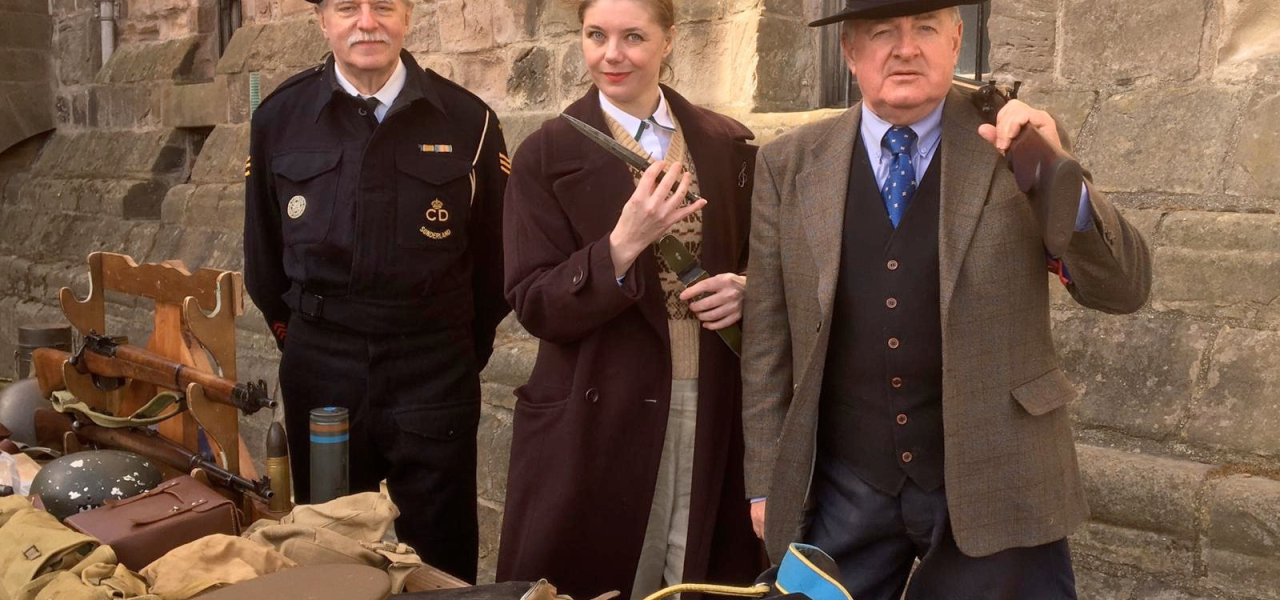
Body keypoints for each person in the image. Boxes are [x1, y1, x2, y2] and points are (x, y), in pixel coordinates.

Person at [740, 0, 1152, 598]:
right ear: (850, 51)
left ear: (956, 41)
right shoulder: (789, 162)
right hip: (846, 485)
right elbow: (768, 340)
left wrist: (1062, 182)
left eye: (926, 28)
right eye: (883, 32)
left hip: (1000, 475)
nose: (906, 48)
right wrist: (765, 480)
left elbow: (1122, 289)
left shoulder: (1018, 142)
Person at [496, 0, 762, 598]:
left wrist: (747, 288)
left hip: (713, 395)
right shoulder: (543, 154)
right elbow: (532, 301)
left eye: (633, 37)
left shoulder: (727, 145)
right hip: (598, 406)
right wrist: (621, 245)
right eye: (596, 35)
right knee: (605, 577)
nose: (612, 55)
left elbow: (769, 259)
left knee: (698, 577)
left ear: (669, 40)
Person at [242, 0, 509, 583]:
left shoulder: (469, 121)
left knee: (441, 556)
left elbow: (496, 264)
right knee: (327, 550)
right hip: (322, 363)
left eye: (384, 5)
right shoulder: (279, 118)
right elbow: (263, 261)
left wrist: (457, 352)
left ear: (407, 16)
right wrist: (303, 338)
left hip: (432, 366)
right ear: (323, 21)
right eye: (347, 7)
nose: (367, 22)